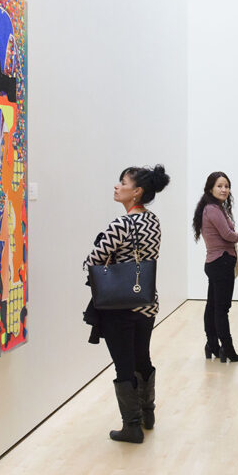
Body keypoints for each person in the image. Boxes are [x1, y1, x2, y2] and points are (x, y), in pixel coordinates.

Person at [84, 165, 169, 442]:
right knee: (142, 357)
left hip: (119, 306)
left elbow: (92, 262)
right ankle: (147, 414)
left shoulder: (120, 224)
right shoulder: (153, 221)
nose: (116, 186)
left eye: (122, 182)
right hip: (145, 303)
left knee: (123, 363)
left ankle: (131, 426)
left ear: (137, 192)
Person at [193, 171, 238, 362]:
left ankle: (212, 344)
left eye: (227, 186)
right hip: (222, 262)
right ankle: (227, 349)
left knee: (213, 306)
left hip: (215, 262)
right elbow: (228, 235)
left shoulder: (211, 207)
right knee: (222, 308)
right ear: (210, 188)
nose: (224, 189)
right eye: (220, 186)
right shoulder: (213, 209)